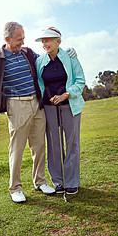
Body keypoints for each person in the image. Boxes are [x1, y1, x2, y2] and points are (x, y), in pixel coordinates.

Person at [0, 22, 76, 203]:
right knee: (17, 148)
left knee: (39, 146)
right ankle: (15, 188)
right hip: (16, 105)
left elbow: (48, 58)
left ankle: (40, 181)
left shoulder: (27, 53)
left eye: (23, 38)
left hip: (37, 103)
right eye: (19, 39)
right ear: (7, 39)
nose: (23, 42)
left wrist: (68, 53)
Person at [35, 27, 86, 195]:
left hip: (70, 105)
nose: (44, 43)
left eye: (47, 40)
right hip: (49, 107)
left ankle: (72, 182)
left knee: (72, 143)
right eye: (42, 41)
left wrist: (66, 94)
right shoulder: (39, 61)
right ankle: (58, 182)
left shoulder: (71, 57)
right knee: (53, 144)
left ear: (58, 41)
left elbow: (80, 81)